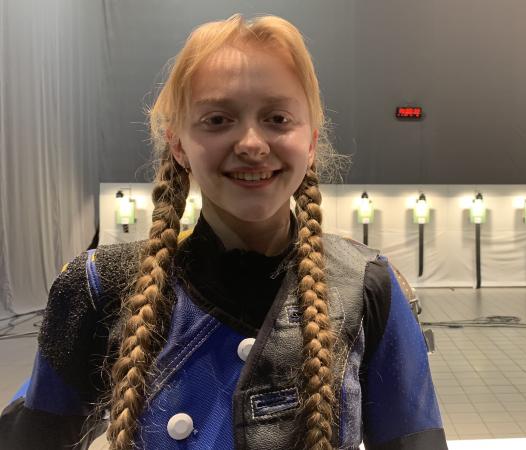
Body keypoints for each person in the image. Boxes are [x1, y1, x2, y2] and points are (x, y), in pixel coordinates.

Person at [0, 14, 446, 450]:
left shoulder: (369, 285)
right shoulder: (101, 287)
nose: (251, 144)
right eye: (217, 119)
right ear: (179, 145)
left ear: (310, 142)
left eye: (277, 118)